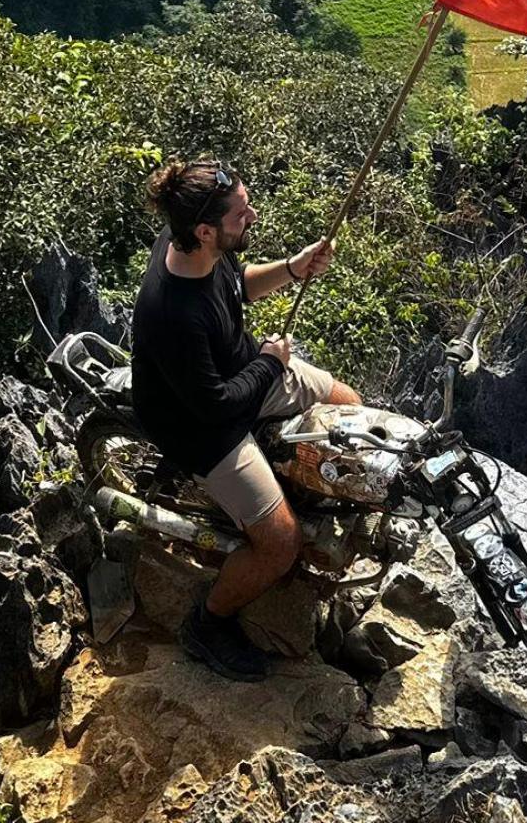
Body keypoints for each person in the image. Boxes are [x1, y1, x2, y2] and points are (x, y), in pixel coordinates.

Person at [131, 159, 362, 682]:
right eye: (241, 214)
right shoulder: (172, 314)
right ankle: (208, 623)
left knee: (349, 404)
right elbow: (217, 407)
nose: (252, 217)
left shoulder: (195, 244)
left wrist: (294, 267)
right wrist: (271, 363)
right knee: (282, 544)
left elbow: (238, 286)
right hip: (201, 425)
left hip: (242, 371)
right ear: (207, 230)